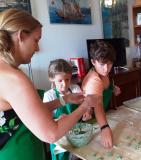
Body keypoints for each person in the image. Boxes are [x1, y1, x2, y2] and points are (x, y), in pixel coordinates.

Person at [0, 9, 93, 160]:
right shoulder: (15, 79)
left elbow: (29, 112)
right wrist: (84, 106)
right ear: (21, 36)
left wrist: (65, 99)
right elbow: (51, 134)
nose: (37, 48)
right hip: (21, 154)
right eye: (36, 40)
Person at [43, 59, 92, 160]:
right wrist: (58, 120)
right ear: (52, 79)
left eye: (67, 80)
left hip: (76, 135)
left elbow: (86, 105)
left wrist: (87, 111)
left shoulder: (75, 89)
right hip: (60, 139)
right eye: (60, 81)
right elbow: (45, 122)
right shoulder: (49, 96)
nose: (64, 85)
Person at [81, 40, 121, 148]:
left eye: (110, 64)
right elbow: (97, 104)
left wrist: (112, 88)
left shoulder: (102, 72)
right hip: (90, 122)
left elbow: (104, 86)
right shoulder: (94, 80)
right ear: (93, 62)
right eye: (102, 64)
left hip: (102, 115)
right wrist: (104, 127)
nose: (106, 69)